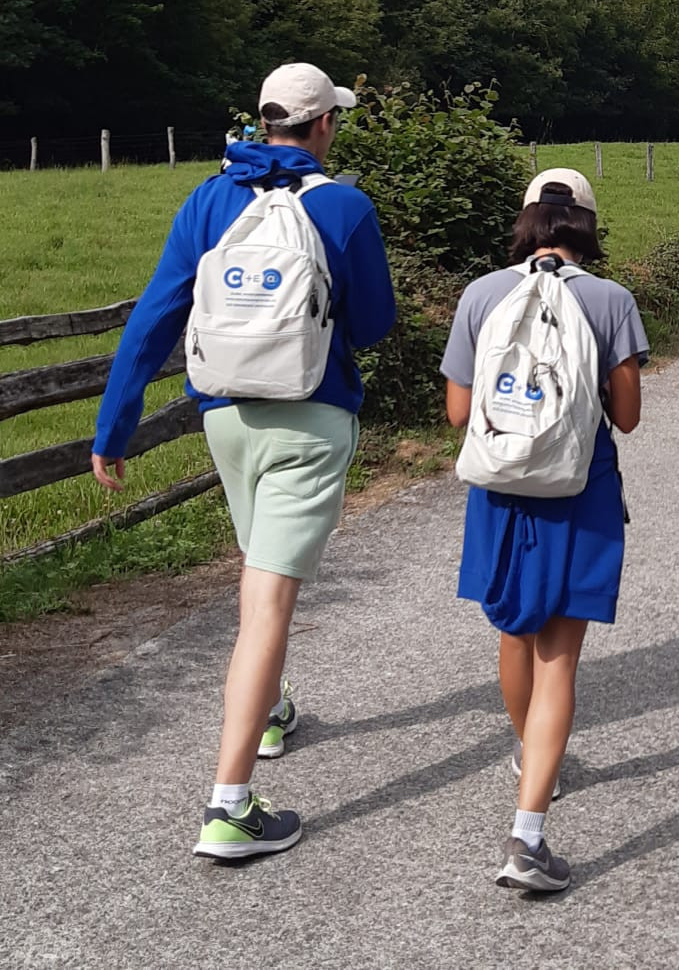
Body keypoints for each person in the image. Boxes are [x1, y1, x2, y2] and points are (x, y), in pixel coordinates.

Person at [91, 63, 396, 860]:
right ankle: (230, 806)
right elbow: (373, 322)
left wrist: (112, 428)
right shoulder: (344, 204)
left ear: (265, 123)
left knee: (256, 576)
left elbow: (158, 313)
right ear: (324, 124)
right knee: (269, 601)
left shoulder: (208, 198)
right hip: (310, 420)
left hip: (226, 418)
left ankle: (269, 711)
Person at [442, 169, 649, 895]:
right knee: (559, 657)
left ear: (528, 221)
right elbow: (625, 416)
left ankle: (530, 756)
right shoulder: (610, 300)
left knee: (513, 633)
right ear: (588, 226)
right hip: (578, 489)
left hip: (500, 490)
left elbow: (459, 413)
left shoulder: (480, 294)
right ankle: (527, 836)